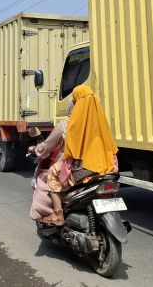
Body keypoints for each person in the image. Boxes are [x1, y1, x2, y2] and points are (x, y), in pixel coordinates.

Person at [30, 85, 118, 223]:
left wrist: (36, 150)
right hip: (108, 166)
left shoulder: (69, 123)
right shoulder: (100, 121)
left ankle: (57, 213)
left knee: (53, 174)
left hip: (84, 168)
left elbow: (63, 149)